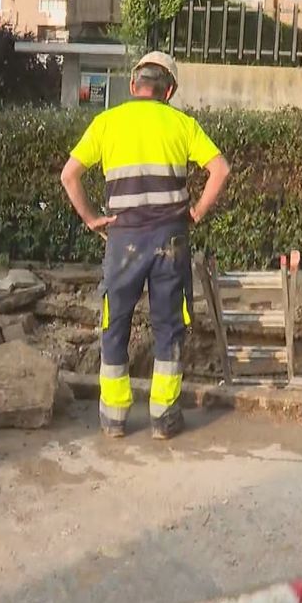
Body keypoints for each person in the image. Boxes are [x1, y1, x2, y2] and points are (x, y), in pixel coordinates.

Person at [60, 52, 230, 439]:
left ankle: (114, 419)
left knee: (114, 323)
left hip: (123, 242)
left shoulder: (107, 123)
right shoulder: (182, 124)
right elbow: (220, 169)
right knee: (169, 327)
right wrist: (197, 212)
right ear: (168, 89)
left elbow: (69, 175)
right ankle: (163, 419)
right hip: (171, 240)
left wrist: (91, 219)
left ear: (134, 85)